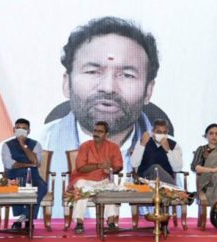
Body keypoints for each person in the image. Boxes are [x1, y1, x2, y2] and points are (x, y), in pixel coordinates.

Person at [41, 16, 174, 217]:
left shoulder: (177, 160)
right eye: (93, 71)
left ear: (148, 90)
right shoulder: (5, 158)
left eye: (127, 75)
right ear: (67, 83)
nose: (108, 87)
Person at [70, 121, 123, 234]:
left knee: (111, 188)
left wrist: (110, 170)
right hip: (84, 179)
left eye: (100, 131)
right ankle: (79, 222)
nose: (96, 133)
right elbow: (80, 168)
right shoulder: (85, 146)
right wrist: (99, 166)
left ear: (106, 134)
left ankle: (111, 222)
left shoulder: (113, 147)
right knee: (81, 187)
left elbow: (118, 166)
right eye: (95, 131)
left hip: (103, 180)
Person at [1, 118, 47, 230]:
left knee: (42, 187)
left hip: (33, 176)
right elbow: (9, 165)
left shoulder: (36, 144)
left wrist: (23, 145)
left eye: (24, 128)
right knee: (19, 186)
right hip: (15, 177)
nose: (21, 130)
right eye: (18, 128)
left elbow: (36, 162)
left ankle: (22, 218)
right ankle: (28, 219)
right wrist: (28, 164)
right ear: (14, 129)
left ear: (29, 131)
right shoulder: (6, 145)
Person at [131, 119, 183, 185]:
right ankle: (174, 189)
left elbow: (177, 168)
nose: (162, 135)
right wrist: (142, 145)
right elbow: (134, 164)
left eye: (165, 132)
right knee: (156, 168)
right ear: (153, 131)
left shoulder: (174, 145)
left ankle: (170, 189)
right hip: (145, 180)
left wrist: (168, 150)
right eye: (159, 132)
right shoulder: (143, 142)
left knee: (157, 169)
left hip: (166, 182)